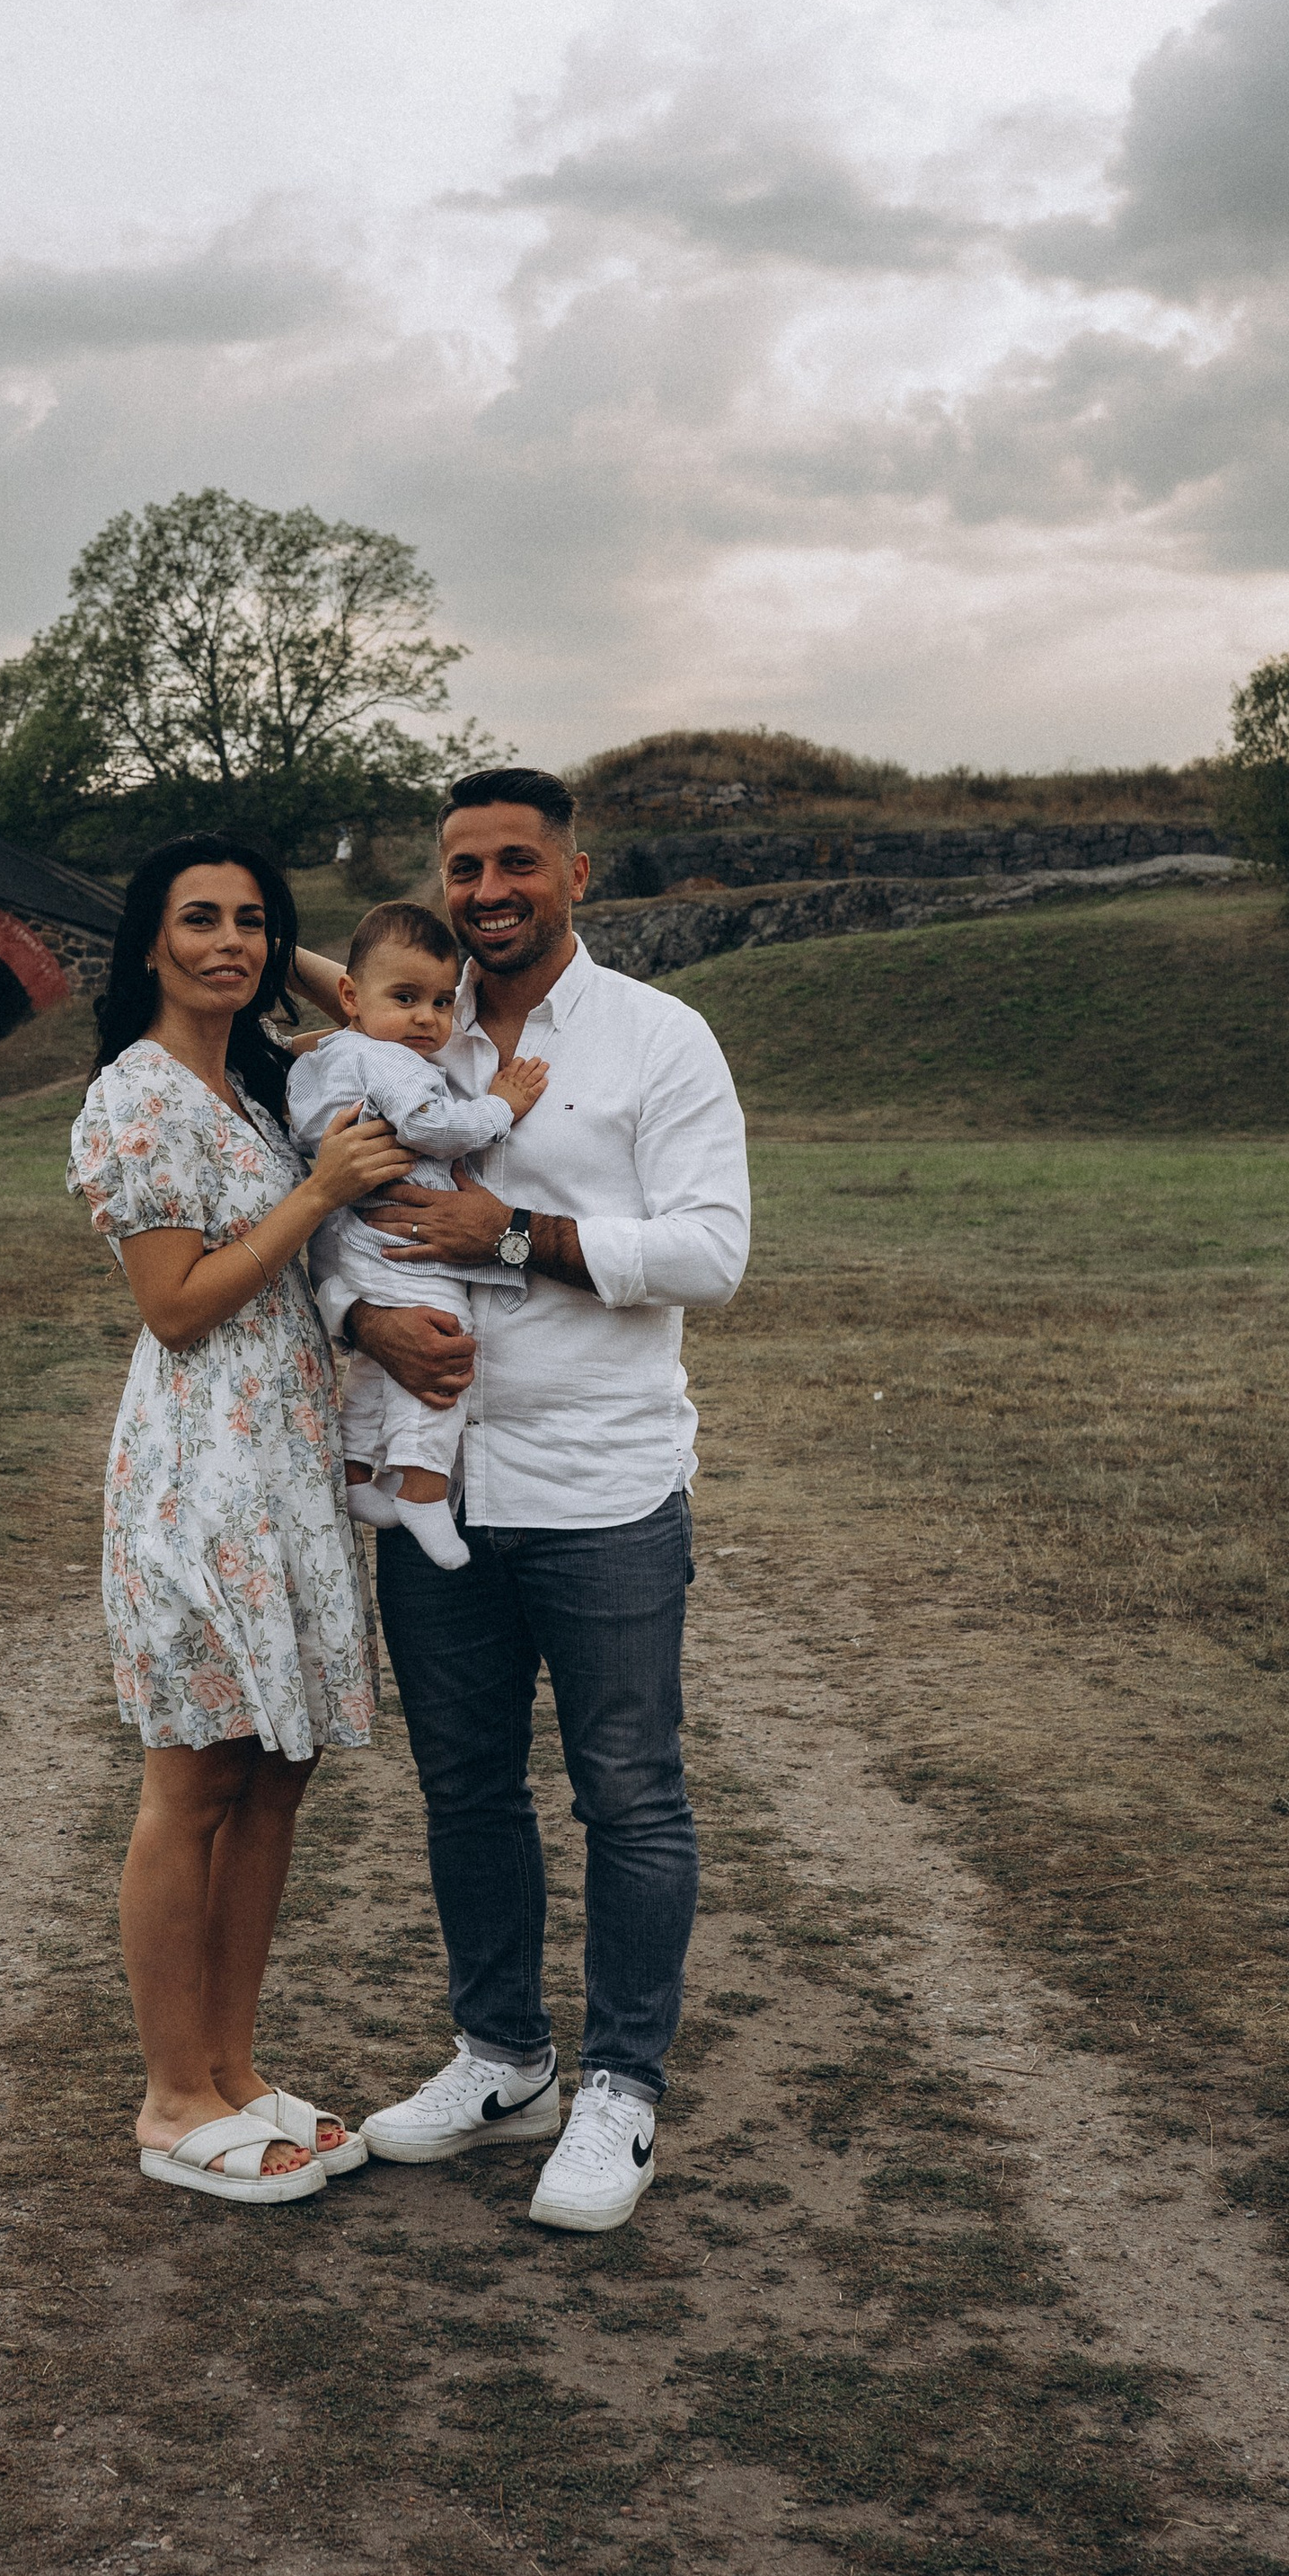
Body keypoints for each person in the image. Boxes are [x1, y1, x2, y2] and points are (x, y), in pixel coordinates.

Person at [313, 768, 750, 2235]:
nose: (489, 890)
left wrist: (514, 1239)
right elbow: (320, 1213)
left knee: (628, 1789)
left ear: (577, 872)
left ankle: (622, 2087)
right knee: (466, 1787)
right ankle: (505, 2056)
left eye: (517, 863)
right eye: (463, 867)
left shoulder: (656, 1041)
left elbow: (709, 1252)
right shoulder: (385, 1031)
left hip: (600, 1485)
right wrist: (357, 1319)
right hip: (436, 1490)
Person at [67, 834, 412, 2207]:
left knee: (279, 1775)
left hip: (290, 1465)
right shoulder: (134, 1099)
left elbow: (374, 1009)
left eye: (253, 923)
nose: (228, 942)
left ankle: (230, 2066)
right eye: (196, 921)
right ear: (145, 940)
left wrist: (290, 961)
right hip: (199, 1472)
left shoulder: (259, 1082)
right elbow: (179, 1304)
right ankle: (169, 2097)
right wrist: (315, 1196)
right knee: (196, 1775)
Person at [284, 901, 549, 1572]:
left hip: (354, 1241)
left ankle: (356, 1474)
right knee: (444, 1338)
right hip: (402, 1245)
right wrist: (500, 1107)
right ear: (350, 996)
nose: (427, 1019)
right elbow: (431, 1127)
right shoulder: (394, 1061)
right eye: (406, 999)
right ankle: (424, 1487)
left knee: (382, 1362)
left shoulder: (324, 1056)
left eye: (440, 1001)